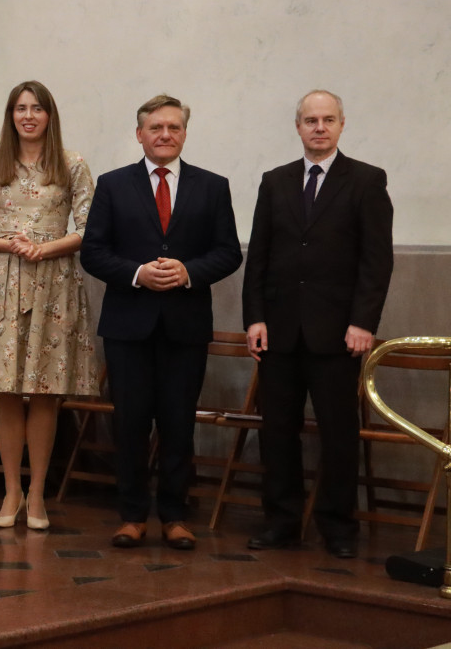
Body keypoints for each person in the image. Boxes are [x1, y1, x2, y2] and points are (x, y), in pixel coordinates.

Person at [80, 93, 242, 550]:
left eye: (173, 127)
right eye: (156, 128)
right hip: (129, 325)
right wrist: (137, 274)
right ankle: (132, 515)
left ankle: (174, 515)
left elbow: (228, 252)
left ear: (184, 134)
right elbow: (94, 252)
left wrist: (189, 271)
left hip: (184, 325)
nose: (165, 135)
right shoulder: (113, 185)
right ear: (140, 135)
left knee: (178, 423)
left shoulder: (212, 186)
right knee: (129, 423)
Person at [243, 89, 394, 559]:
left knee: (338, 432)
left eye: (328, 119)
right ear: (298, 126)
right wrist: (254, 319)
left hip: (338, 335)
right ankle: (282, 522)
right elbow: (259, 258)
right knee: (278, 432)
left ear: (342, 125)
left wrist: (363, 322)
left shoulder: (366, 181)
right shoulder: (275, 182)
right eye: (311, 120)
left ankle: (339, 526)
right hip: (280, 332)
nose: (320, 127)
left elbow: (376, 261)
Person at [0, 80, 99, 530]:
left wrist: (48, 247)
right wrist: (9, 245)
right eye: (21, 108)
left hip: (53, 282)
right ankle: (10, 491)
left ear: (49, 116)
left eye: (37, 108)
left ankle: (37, 494)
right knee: (7, 389)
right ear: (11, 115)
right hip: (2, 279)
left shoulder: (72, 164)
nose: (28, 116)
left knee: (43, 391)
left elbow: (90, 228)